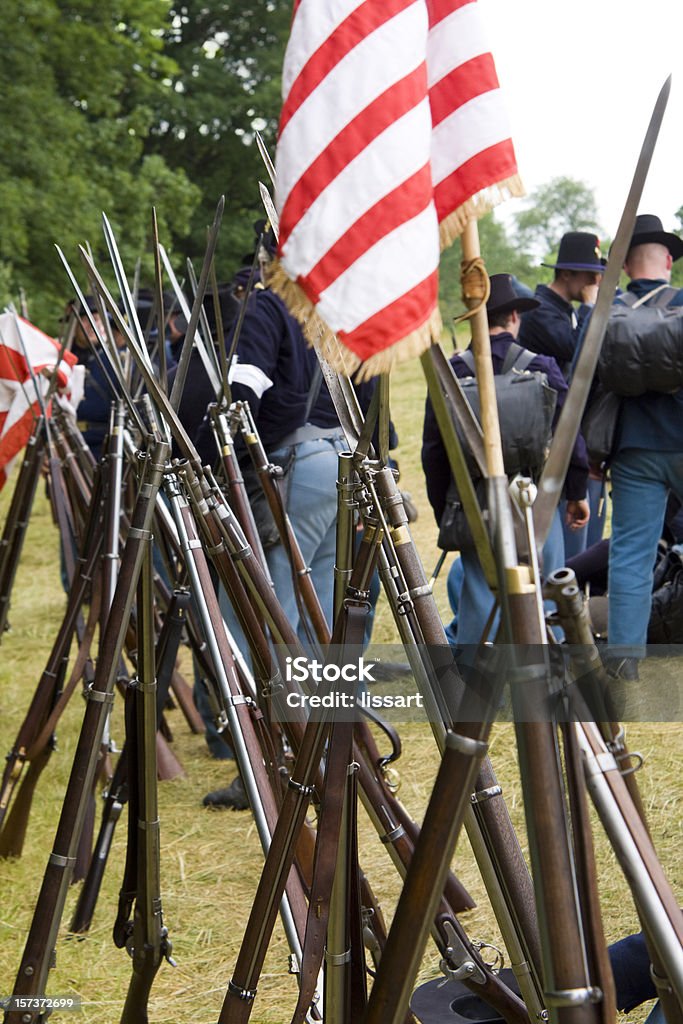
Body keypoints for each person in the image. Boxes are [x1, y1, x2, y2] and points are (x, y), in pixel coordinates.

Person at [422, 273, 589, 651]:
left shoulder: (451, 372)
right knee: (545, 592)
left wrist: (446, 508)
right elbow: (568, 438)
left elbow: (434, 451)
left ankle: (475, 694)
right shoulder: (543, 365)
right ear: (514, 317)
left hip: (474, 501)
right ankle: (550, 688)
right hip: (536, 500)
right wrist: (577, 492)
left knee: (479, 597)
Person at [604, 213, 683, 680]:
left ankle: (625, 662)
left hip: (633, 448)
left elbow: (585, 387)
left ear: (628, 265)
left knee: (631, 554)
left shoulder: (606, 312)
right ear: (667, 261)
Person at [519, 231, 606, 556]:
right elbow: (577, 349)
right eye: (591, 275)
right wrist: (589, 308)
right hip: (550, 439)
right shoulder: (540, 311)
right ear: (567, 273)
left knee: (586, 541)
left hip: (573, 435)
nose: (596, 280)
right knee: (564, 547)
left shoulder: (563, 309)